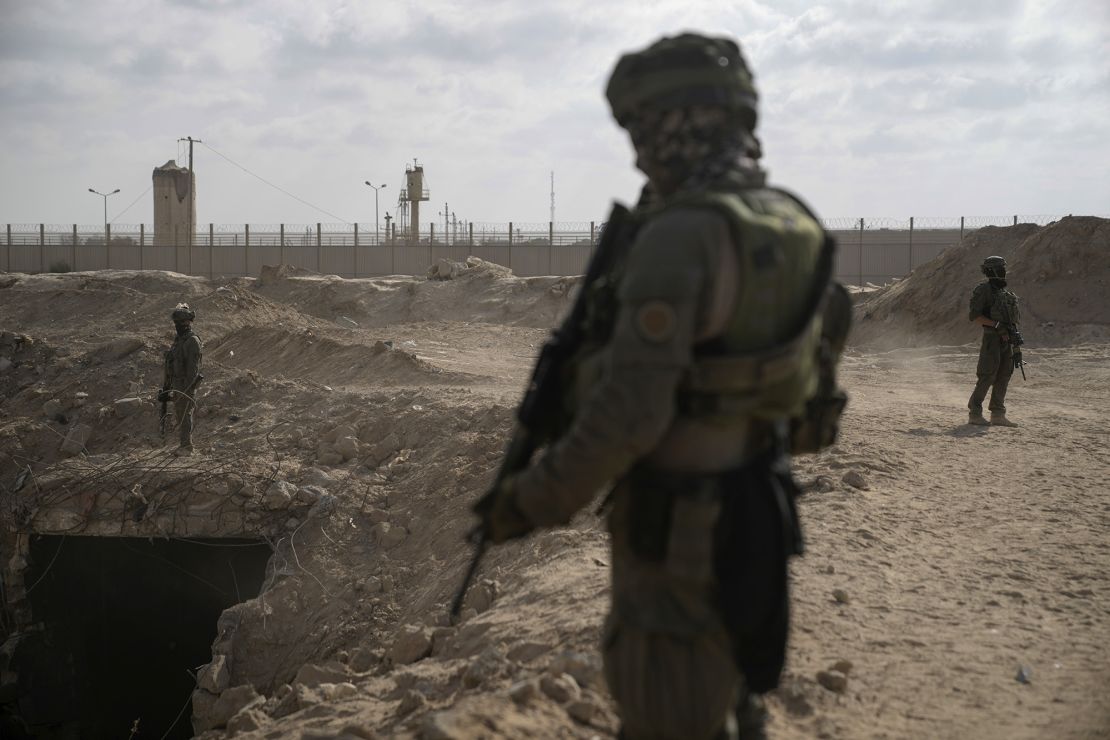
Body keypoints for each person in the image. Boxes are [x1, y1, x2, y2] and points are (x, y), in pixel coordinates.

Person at [475, 33, 846, 740]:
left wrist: (530, 499)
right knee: (731, 704)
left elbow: (631, 414)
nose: (639, 151)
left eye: (643, 130)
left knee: (671, 710)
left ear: (679, 122)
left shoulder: (682, 234)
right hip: (756, 500)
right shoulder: (788, 217)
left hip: (678, 527)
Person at [967, 256, 1020, 427]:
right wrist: (997, 326)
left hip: (1007, 340)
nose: (1004, 271)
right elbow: (975, 316)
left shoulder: (1004, 293)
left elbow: (1012, 320)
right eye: (1001, 268)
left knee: (1004, 374)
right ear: (992, 271)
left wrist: (1014, 340)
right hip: (992, 339)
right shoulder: (983, 290)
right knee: (987, 375)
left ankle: (998, 413)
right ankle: (975, 413)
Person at [160, 303, 203, 455]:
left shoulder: (192, 341)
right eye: (177, 323)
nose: (179, 325)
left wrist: (186, 389)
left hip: (186, 385)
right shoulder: (179, 340)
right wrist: (169, 386)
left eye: (182, 322)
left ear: (188, 323)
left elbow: (193, 370)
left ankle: (187, 447)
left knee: (185, 415)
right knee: (180, 414)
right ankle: (183, 444)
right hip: (177, 383)